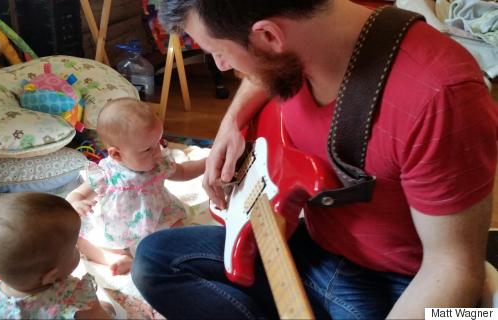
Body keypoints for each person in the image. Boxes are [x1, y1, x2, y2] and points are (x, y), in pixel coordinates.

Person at [131, 0, 498, 318]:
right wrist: (233, 121)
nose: (222, 65)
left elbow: (454, 269)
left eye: (219, 51)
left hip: (396, 283)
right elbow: (265, 70)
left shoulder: (442, 96)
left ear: (269, 37)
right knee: (153, 261)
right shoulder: (317, 29)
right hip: (316, 244)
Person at [66, 98, 206, 276]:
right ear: (116, 154)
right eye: (148, 149)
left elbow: (184, 171)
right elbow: (78, 194)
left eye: (159, 142)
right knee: (80, 239)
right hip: (116, 224)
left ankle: (161, 256)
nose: (158, 152)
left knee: (180, 236)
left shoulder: (159, 163)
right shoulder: (107, 172)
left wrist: (207, 163)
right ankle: (113, 258)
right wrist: (76, 203)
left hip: (158, 216)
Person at [0, 192, 113, 319]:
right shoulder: (75, 297)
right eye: (73, 247)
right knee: (107, 308)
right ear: (50, 275)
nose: (77, 249)